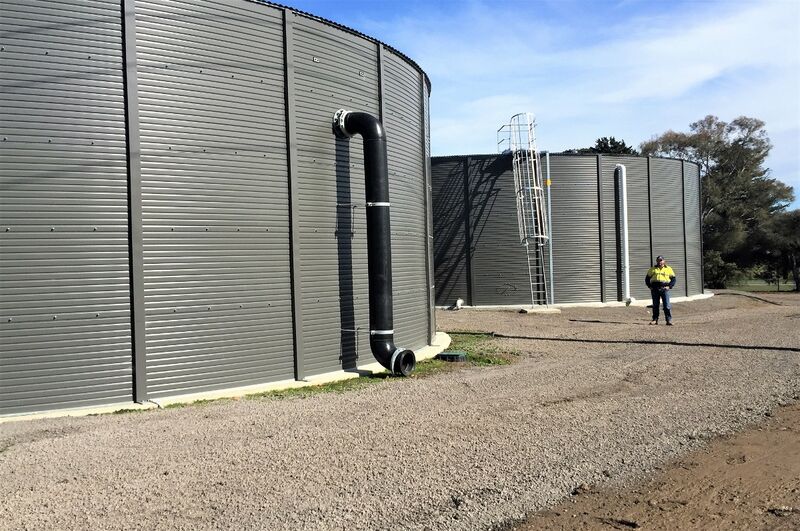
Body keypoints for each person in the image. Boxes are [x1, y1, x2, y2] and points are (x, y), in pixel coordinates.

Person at [645, 255, 676, 325]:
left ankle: (668, 320)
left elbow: (673, 279)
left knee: (667, 305)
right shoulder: (652, 269)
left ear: (664, 261)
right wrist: (649, 286)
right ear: (656, 261)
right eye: (658, 260)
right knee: (655, 305)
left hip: (664, 289)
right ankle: (655, 320)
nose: (660, 262)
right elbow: (647, 278)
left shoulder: (669, 269)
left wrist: (669, 286)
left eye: (661, 260)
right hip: (655, 289)